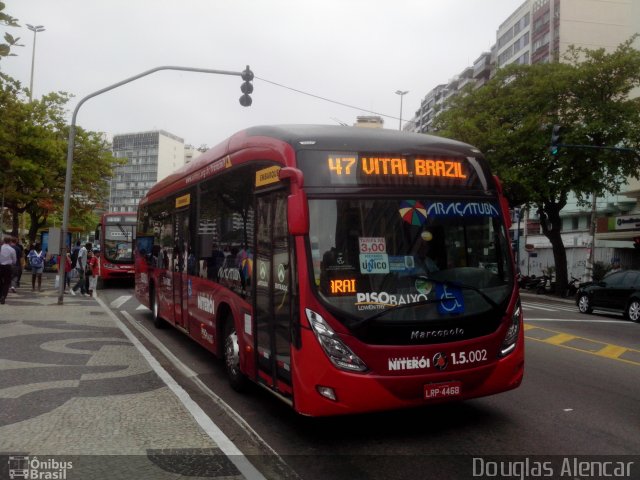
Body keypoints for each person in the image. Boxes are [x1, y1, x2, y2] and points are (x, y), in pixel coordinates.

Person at [0, 237, 17, 304]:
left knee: (0, 281)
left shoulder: (1, 248)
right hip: (8, 267)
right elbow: (14, 261)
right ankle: (3, 296)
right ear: (10, 241)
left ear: (3, 241)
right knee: (7, 282)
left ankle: (0, 295)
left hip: (0, 266)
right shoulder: (12, 250)